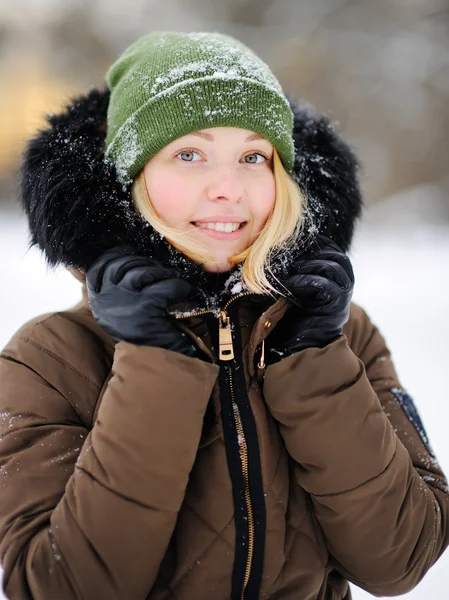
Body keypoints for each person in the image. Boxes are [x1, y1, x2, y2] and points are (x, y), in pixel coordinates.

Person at [0, 31, 448, 600]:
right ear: (129, 175)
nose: (228, 189)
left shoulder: (344, 333)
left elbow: (401, 560)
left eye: (253, 157)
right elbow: (54, 586)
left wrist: (311, 359)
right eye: (189, 154)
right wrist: (155, 363)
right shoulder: (48, 357)